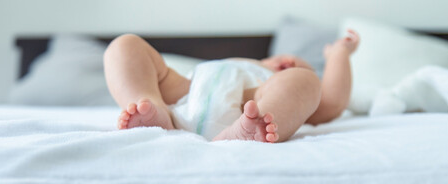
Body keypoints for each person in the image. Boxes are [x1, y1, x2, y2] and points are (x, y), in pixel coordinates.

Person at [103, 29, 360, 143]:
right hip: (182, 96)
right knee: (125, 45)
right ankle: (150, 106)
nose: (290, 63)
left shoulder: (266, 81)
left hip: (249, 106)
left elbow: (333, 101)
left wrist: (338, 54)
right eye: (282, 61)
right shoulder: (239, 64)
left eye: (297, 65)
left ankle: (249, 130)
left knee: (307, 84)